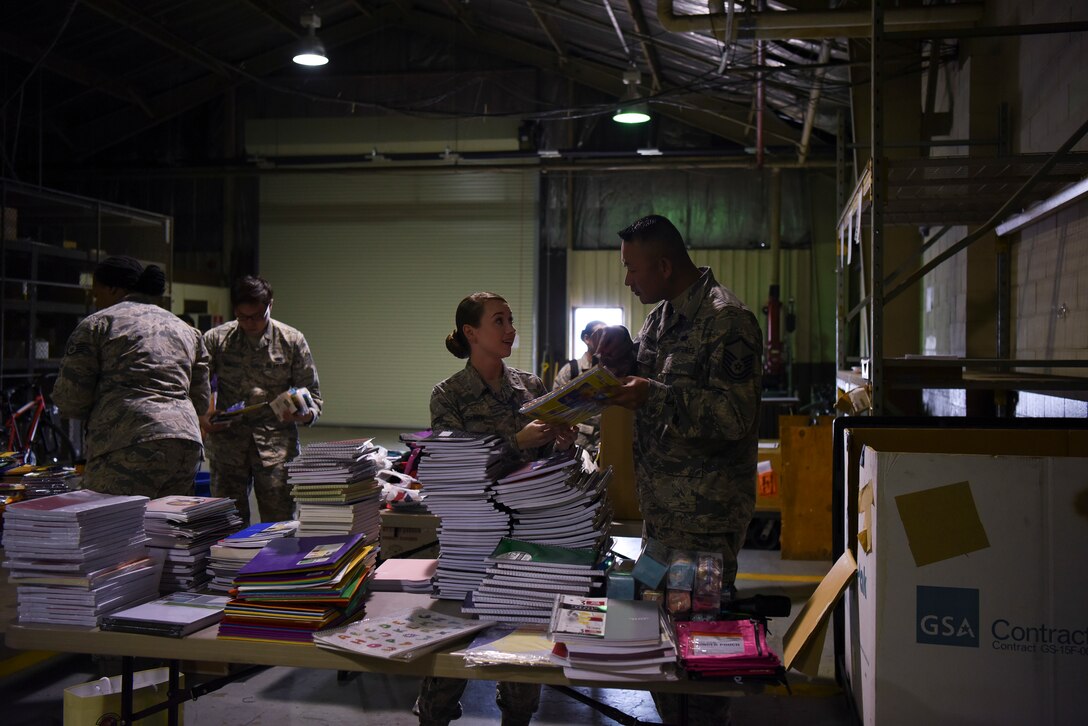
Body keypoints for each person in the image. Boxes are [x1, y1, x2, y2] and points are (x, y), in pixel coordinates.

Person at [592, 214, 762, 724]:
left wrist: (654, 394)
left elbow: (736, 416)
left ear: (664, 265)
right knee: (662, 646)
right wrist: (623, 358)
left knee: (703, 656)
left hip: (705, 526)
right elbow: (645, 375)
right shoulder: (660, 318)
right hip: (661, 521)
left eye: (633, 269)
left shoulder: (728, 321)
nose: (627, 280)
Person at [418, 291, 574, 726]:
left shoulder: (532, 387)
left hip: (528, 539)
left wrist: (564, 443)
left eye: (511, 320)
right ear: (471, 333)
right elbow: (456, 467)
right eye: (499, 321)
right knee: (447, 660)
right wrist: (515, 441)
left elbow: (553, 465)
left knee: (524, 660)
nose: (511, 330)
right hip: (472, 540)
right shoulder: (448, 395)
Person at [53, 256, 210, 498]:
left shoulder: (98, 325)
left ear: (113, 289)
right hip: (185, 444)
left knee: (115, 527)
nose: (96, 301)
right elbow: (200, 401)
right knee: (168, 529)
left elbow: (71, 399)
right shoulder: (186, 330)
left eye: (97, 294)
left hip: (125, 443)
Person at [200, 276, 322, 524]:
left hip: (275, 448)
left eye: (257, 316)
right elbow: (197, 385)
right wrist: (204, 416)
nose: (251, 323)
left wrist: (304, 414)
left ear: (270, 306)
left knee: (279, 525)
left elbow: (313, 395)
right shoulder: (216, 339)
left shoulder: (291, 340)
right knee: (226, 525)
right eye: (243, 317)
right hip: (228, 448)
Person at [551, 320, 607, 456]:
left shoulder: (614, 370)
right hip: (578, 442)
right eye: (599, 333)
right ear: (586, 338)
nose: (604, 338)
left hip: (609, 439)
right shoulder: (571, 371)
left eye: (606, 334)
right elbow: (555, 410)